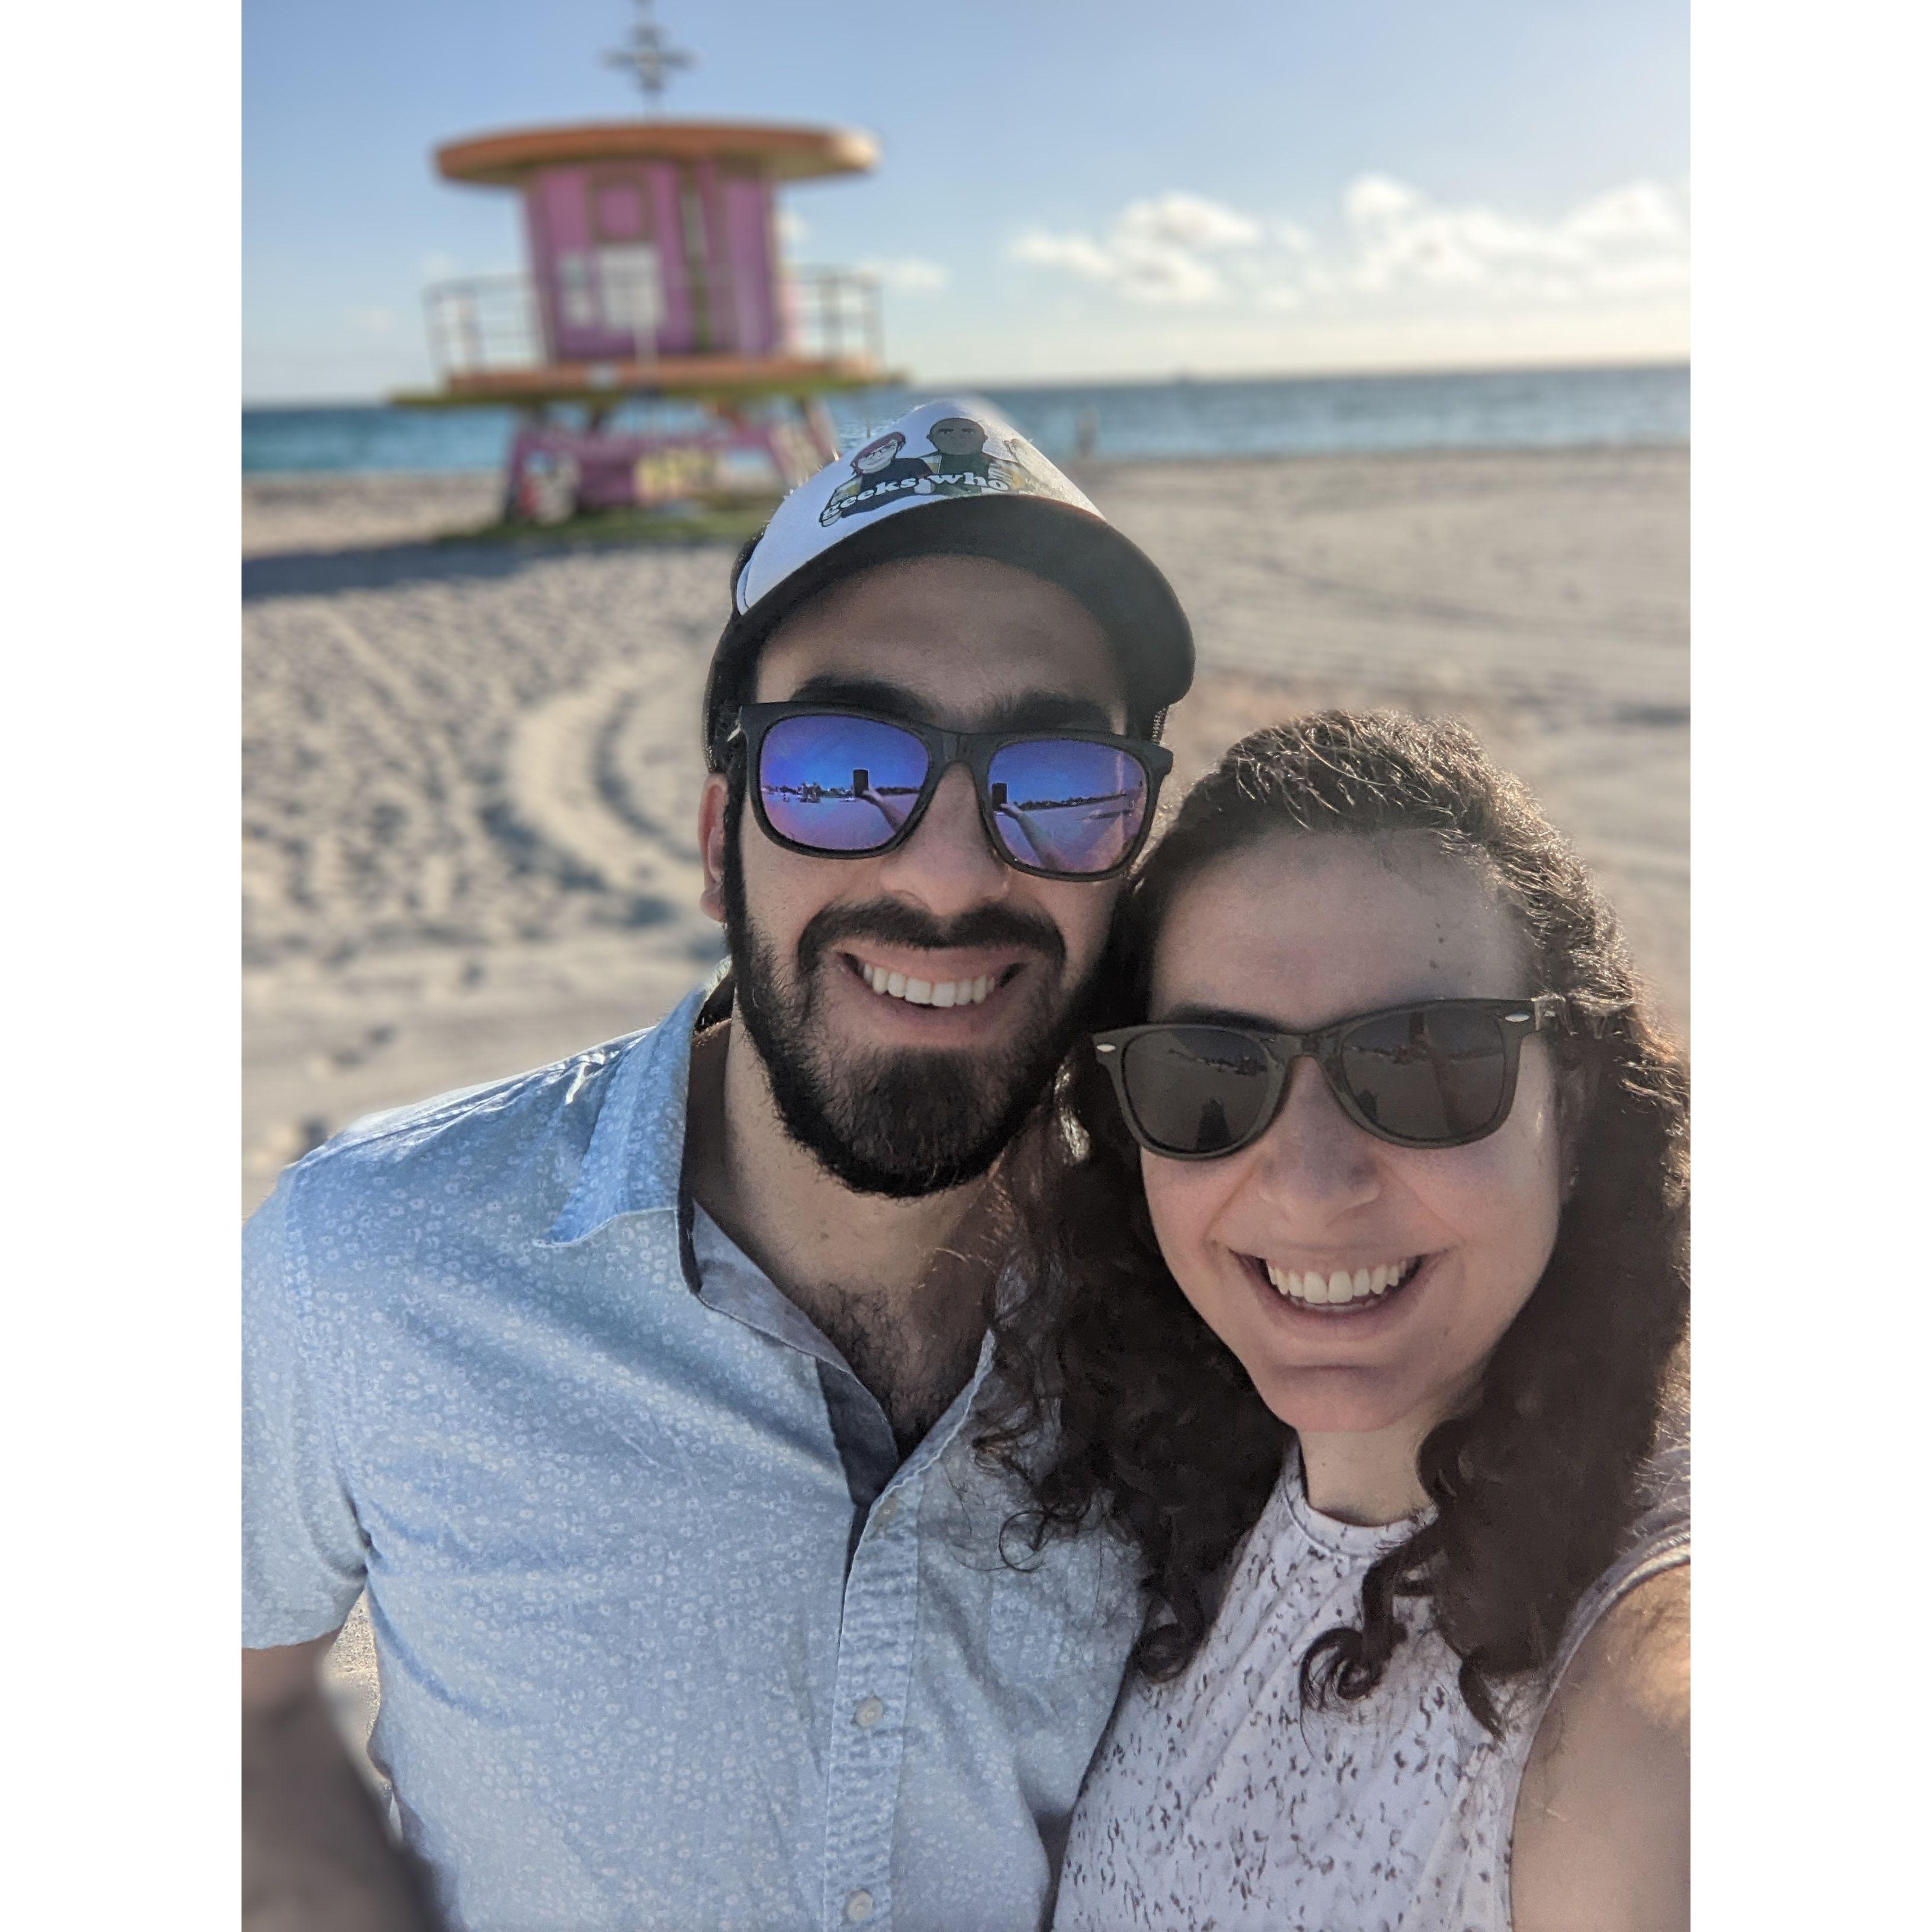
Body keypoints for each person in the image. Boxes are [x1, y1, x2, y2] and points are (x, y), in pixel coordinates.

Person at [241, 397, 1195, 1932]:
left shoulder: (1216, 1306)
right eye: (841, 769)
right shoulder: (367, 1257)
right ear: (713, 838)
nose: (949, 874)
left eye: (1058, 784)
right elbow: (236, 1710)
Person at [980, 711, 1689, 1931]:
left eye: (1423, 1065)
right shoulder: (1179, 1515)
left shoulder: (1647, 1722)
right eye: (1209, 1076)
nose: (1310, 1182)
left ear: (1570, 1111)